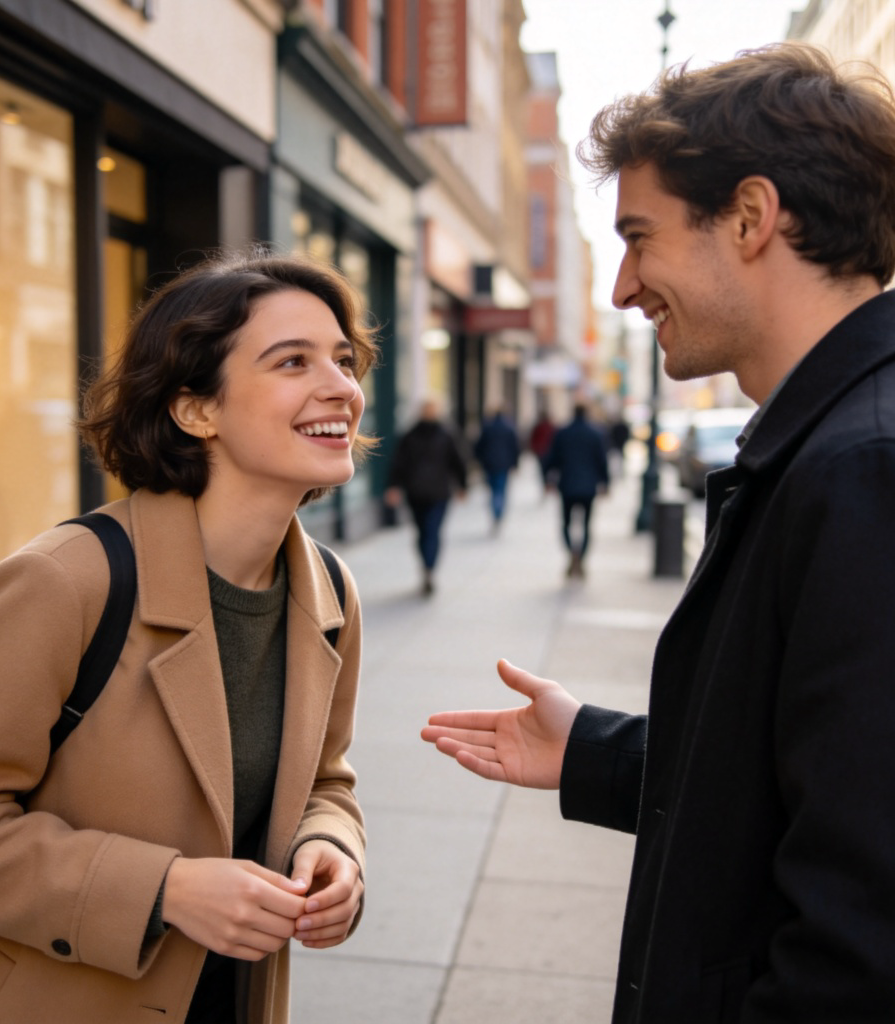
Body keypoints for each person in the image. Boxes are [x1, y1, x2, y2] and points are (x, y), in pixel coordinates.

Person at [422, 44, 895, 1022]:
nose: (621, 287)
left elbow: (861, 930)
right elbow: (796, 780)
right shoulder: (827, 444)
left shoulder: (862, 467)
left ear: (752, 218)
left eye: (641, 237)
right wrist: (597, 752)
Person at [0, 252, 372, 1024]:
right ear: (195, 410)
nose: (343, 387)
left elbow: (325, 780)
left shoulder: (328, 592)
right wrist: (165, 889)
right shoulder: (63, 582)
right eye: (292, 361)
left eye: (344, 360)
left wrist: (334, 849)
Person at [385, 397, 467, 596]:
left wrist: (462, 485)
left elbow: (457, 461)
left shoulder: (446, 434)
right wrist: (394, 486)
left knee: (431, 531)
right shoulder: (410, 435)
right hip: (417, 493)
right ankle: (427, 567)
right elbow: (399, 463)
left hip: (438, 493)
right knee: (423, 532)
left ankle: (428, 568)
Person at [542, 402, 609, 578]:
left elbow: (551, 458)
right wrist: (605, 483)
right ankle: (581, 558)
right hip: (588, 487)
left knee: (566, 524)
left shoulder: (563, 432)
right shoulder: (595, 433)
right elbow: (602, 460)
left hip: (567, 486)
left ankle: (572, 553)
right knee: (586, 525)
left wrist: (547, 480)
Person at [472, 405, 519, 533]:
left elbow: (479, 445)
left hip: (490, 463)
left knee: (493, 490)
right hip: (503, 464)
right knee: (501, 490)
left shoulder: (488, 427)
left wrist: (479, 460)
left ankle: (496, 511)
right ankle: (498, 511)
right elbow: (514, 447)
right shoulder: (509, 427)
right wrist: (515, 463)